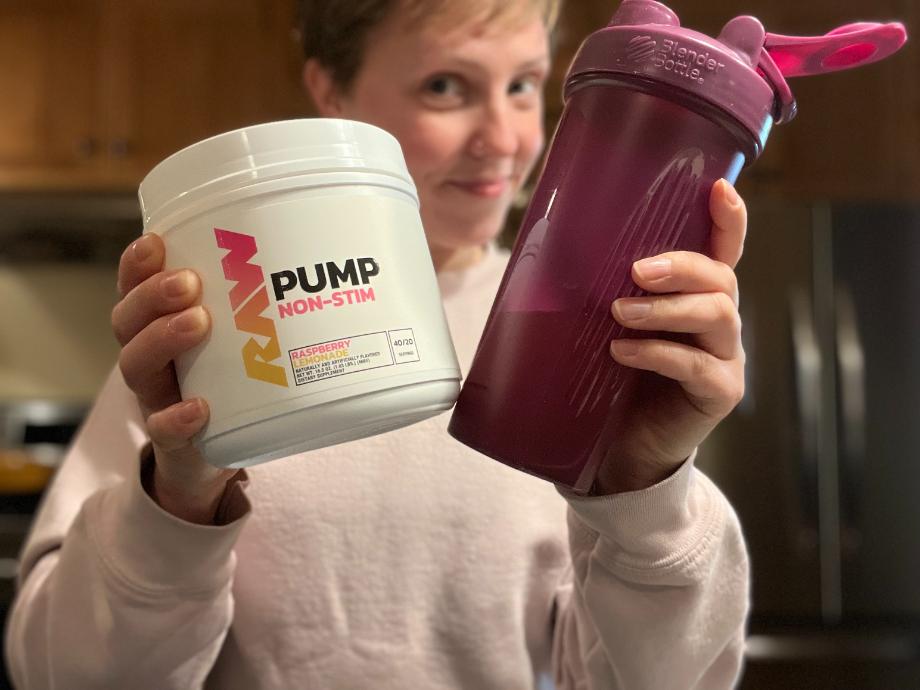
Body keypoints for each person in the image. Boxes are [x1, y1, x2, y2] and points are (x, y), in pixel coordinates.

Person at [5, 0, 751, 688]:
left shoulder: (586, 331)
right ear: (329, 91)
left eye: (524, 86)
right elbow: (59, 672)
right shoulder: (211, 334)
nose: (505, 140)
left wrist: (646, 492)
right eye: (445, 88)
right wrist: (176, 500)